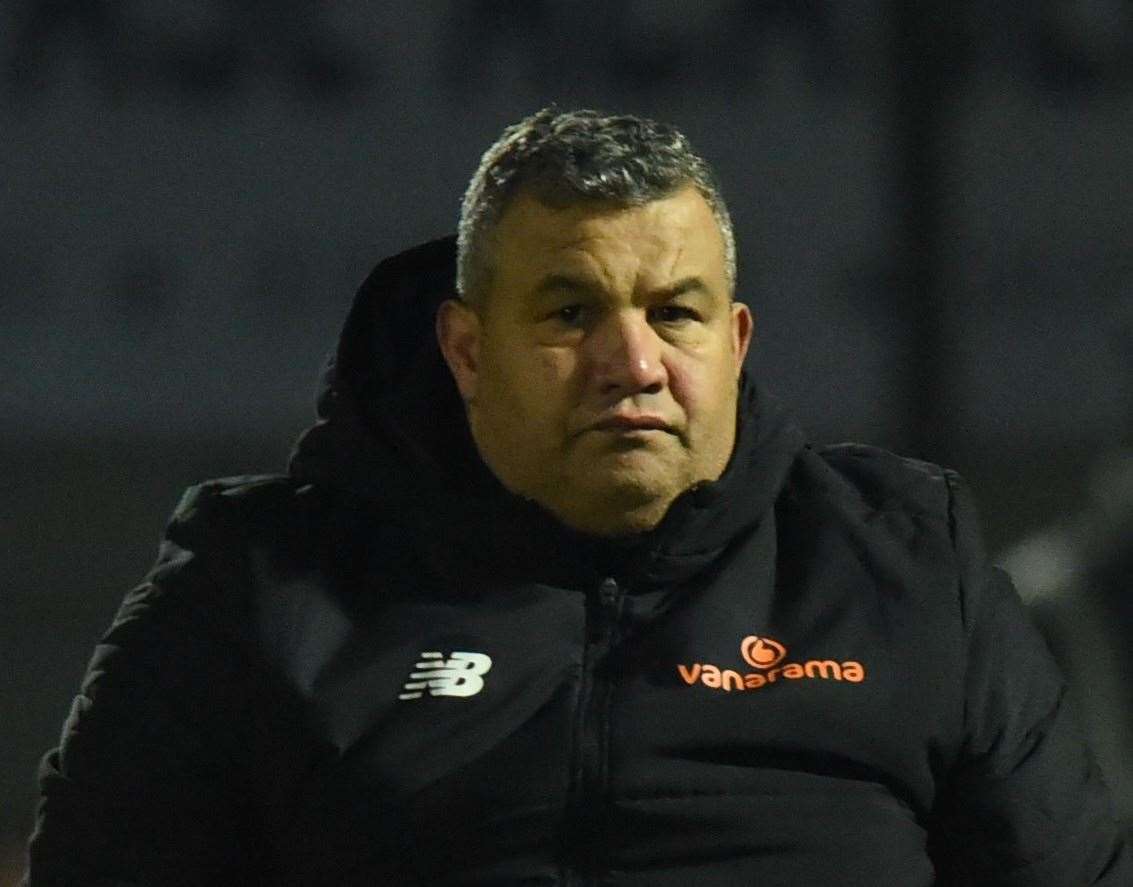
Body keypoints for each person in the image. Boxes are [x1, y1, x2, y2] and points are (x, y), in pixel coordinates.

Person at [24, 108, 1130, 885]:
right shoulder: (264, 580)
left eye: (675, 313)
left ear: (736, 340)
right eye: (567, 312)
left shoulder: (901, 562)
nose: (631, 360)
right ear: (464, 347)